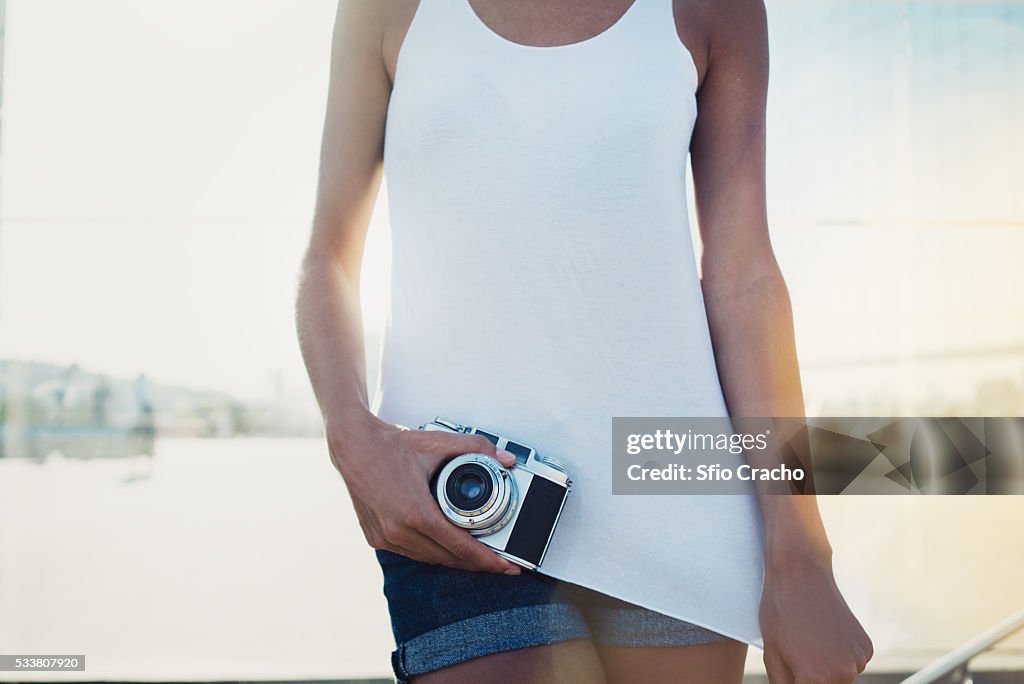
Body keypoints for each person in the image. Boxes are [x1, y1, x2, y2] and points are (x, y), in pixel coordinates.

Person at [296, 1, 873, 682]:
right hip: (466, 492)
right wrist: (354, 439)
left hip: (670, 483)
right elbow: (329, 258)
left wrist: (803, 554)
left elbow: (744, 278)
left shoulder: (720, 8)